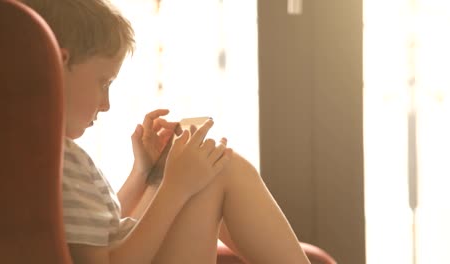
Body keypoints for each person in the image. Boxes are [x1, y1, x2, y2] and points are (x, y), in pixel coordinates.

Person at [21, 0, 310, 263]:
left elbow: (95, 232)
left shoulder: (30, 151)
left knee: (198, 167)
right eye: (104, 83)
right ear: (59, 62)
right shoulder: (63, 159)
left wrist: (143, 174)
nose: (106, 104)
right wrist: (176, 187)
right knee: (220, 168)